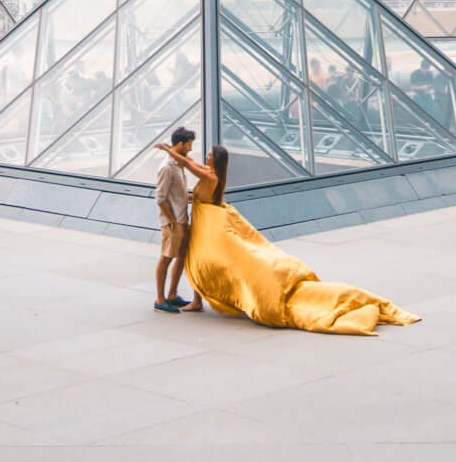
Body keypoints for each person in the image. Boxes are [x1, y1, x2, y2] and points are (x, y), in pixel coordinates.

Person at [153, 140, 419, 337]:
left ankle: (196, 299)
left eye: (209, 154)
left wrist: (169, 151)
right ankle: (198, 299)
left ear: (215, 160)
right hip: (208, 223)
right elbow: (195, 172)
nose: (204, 155)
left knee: (203, 263)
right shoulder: (214, 174)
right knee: (200, 263)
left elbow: (190, 165)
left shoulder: (209, 175)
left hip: (210, 228)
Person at [153, 127, 197, 313]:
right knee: (166, 258)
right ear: (180, 144)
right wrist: (171, 221)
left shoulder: (179, 165)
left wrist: (190, 197)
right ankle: (160, 299)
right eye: (189, 144)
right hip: (174, 222)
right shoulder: (167, 168)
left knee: (180, 258)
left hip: (181, 218)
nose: (191, 148)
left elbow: (175, 194)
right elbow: (160, 198)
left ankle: (172, 294)